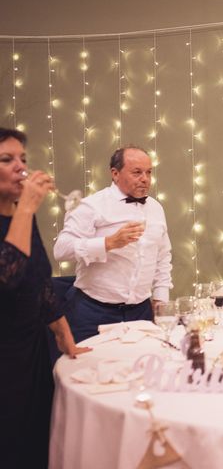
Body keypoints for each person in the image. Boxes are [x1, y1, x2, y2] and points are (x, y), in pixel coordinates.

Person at [0, 128, 90, 468]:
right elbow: (7, 276)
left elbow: (39, 279)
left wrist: (65, 337)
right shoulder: (21, 213)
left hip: (32, 348)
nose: (20, 168)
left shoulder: (22, 215)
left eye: (22, 159)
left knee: (37, 439)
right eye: (7, 160)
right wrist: (25, 208)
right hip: (3, 355)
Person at [53, 144, 173, 342]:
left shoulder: (156, 208)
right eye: (137, 172)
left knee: (141, 369)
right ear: (115, 173)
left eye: (148, 172)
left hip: (141, 312)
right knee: (88, 371)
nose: (145, 179)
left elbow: (162, 256)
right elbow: (61, 249)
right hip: (93, 313)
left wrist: (160, 298)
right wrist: (108, 243)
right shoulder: (91, 206)